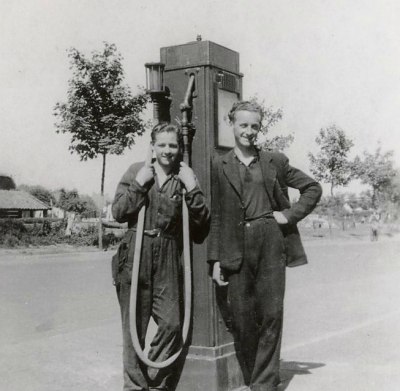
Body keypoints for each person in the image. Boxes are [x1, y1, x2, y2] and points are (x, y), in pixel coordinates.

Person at [208, 101, 322, 391]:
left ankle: (264, 384)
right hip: (235, 245)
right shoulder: (218, 164)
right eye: (243, 125)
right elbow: (217, 214)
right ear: (231, 124)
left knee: (271, 314)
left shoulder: (275, 161)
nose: (249, 131)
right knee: (243, 319)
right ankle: (253, 377)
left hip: (270, 240)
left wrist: (288, 215)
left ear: (260, 128)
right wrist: (215, 259)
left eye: (254, 126)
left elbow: (312, 187)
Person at [112, 123, 210, 391]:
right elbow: (119, 212)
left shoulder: (184, 177)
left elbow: (202, 224)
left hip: (168, 253)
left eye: (173, 145)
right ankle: (134, 387)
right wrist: (139, 184)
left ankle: (150, 381)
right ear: (152, 146)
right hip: (136, 250)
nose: (168, 150)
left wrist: (193, 189)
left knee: (171, 324)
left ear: (179, 148)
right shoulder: (137, 171)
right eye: (162, 145)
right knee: (134, 329)